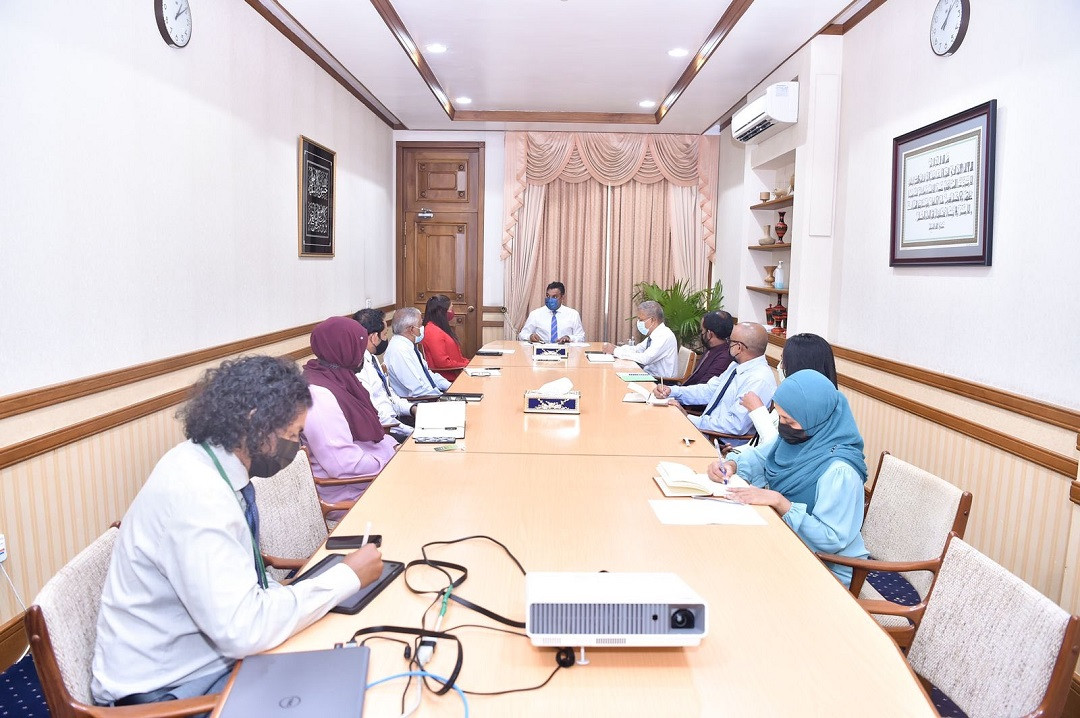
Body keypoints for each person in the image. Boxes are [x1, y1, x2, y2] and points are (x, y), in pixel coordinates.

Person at [91, 356, 383, 707]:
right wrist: (345, 578)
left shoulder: (206, 463)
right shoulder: (198, 497)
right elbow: (242, 630)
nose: (297, 447)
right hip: (166, 692)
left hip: (205, 656)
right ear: (256, 422)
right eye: (292, 435)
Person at [707, 369, 869, 587]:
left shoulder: (841, 471)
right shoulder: (801, 438)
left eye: (788, 420)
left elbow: (831, 539)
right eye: (780, 417)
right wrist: (731, 465)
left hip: (827, 568)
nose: (783, 426)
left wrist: (780, 502)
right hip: (789, 540)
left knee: (734, 574)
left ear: (815, 419)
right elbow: (761, 458)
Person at [301, 316, 398, 511]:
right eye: (358, 346)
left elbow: (371, 436)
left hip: (368, 476)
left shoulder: (339, 378)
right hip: (350, 493)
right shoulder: (317, 395)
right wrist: (389, 460)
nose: (362, 353)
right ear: (345, 348)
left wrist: (394, 448)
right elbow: (343, 464)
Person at [654, 322, 776, 444]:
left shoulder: (758, 380)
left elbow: (734, 425)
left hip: (720, 443)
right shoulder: (736, 366)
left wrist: (688, 418)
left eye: (730, 341)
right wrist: (672, 391)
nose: (727, 345)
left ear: (739, 347)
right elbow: (709, 391)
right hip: (705, 431)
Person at [738, 332, 838, 447]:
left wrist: (758, 411)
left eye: (783, 361)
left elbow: (778, 448)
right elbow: (759, 445)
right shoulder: (791, 398)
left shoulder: (812, 408)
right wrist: (736, 453)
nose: (780, 366)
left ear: (799, 366)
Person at [353, 308, 415, 441]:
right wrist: (411, 431)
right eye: (385, 334)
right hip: (386, 432)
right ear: (374, 337)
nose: (387, 338)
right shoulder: (359, 368)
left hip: (397, 421)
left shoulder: (372, 358)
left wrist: (412, 408)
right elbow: (378, 415)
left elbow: (389, 395)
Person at [383, 307, 450, 398]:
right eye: (420, 325)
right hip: (422, 400)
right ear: (411, 329)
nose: (423, 328)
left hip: (432, 394)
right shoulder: (399, 350)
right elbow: (418, 391)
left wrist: (450, 387)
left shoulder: (408, 345)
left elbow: (427, 374)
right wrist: (444, 398)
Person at [601, 300, 678, 378]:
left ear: (652, 320)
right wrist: (616, 348)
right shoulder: (655, 334)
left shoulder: (664, 336)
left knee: (617, 378)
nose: (638, 323)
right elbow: (637, 349)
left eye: (641, 320)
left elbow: (645, 359)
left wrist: (615, 351)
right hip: (649, 375)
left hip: (661, 381)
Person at [420, 294, 470, 381]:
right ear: (442, 311)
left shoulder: (438, 328)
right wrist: (466, 365)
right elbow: (442, 363)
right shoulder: (432, 331)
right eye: (450, 309)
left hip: (457, 372)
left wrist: (469, 363)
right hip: (447, 378)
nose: (452, 312)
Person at [518, 281, 585, 343]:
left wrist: (569, 338)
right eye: (548, 296)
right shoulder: (535, 314)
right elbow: (522, 335)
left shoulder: (573, 314)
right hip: (541, 350)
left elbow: (581, 337)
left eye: (554, 297)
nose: (550, 299)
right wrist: (530, 336)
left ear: (562, 297)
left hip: (565, 350)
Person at [682, 310, 735, 386]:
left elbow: (704, 387)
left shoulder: (723, 358)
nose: (701, 334)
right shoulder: (712, 348)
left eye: (702, 330)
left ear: (710, 334)